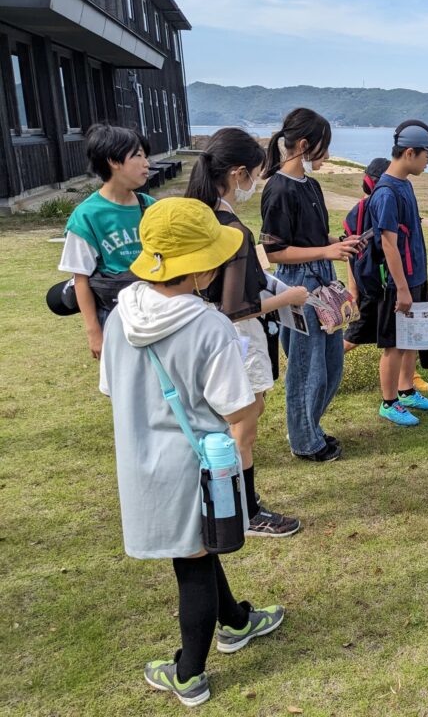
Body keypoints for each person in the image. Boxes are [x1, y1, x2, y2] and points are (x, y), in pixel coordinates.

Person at [100, 197, 284, 707]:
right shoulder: (209, 327)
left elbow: (113, 388)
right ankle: (189, 674)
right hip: (197, 465)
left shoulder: (120, 316)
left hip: (141, 461)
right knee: (194, 564)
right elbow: (237, 411)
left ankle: (239, 621)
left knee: (194, 548)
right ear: (201, 267)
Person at [185, 127, 308, 537]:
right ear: (237, 172)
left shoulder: (195, 214)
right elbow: (236, 307)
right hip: (237, 338)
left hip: (201, 333)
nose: (254, 183)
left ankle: (224, 504)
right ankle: (245, 511)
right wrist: (288, 296)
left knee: (220, 424)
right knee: (244, 426)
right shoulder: (231, 228)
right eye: (254, 174)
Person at [259, 109, 361, 461]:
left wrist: (340, 243)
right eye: (324, 146)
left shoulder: (310, 184)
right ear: (304, 145)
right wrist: (328, 250)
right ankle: (304, 441)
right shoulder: (278, 188)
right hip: (297, 286)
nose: (328, 154)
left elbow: (310, 237)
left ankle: (310, 427)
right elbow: (275, 250)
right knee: (306, 367)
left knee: (331, 364)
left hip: (322, 279)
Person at [370, 120, 428, 426]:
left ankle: (407, 389)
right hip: (398, 284)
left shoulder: (405, 185)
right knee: (394, 343)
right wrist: (401, 288)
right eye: (427, 154)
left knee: (413, 337)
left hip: (416, 277)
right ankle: (389, 402)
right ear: (409, 153)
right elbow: (388, 244)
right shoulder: (386, 192)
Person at [58, 123, 154, 358]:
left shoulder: (150, 207)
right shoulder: (87, 216)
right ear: (114, 161)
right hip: (112, 314)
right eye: (138, 156)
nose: (146, 163)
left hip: (153, 310)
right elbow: (80, 278)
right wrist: (94, 333)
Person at [342, 157, 428, 393]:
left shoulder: (397, 193)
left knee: (408, 335)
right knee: (362, 337)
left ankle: (407, 384)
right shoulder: (376, 204)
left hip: (405, 279)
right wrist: (354, 292)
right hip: (381, 285)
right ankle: (322, 364)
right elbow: (356, 253)